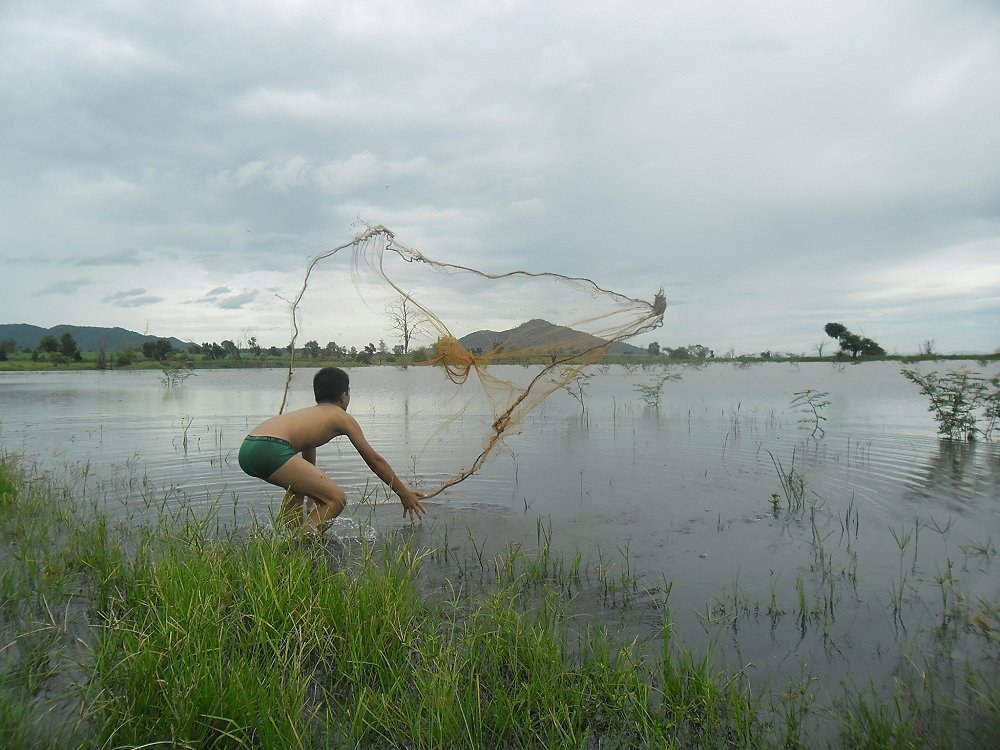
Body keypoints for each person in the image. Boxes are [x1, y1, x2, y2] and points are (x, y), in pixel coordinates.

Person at [238, 366, 426, 535]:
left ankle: (291, 540)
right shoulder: (341, 417)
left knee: (297, 488)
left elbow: (306, 464)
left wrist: (313, 496)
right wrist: (403, 492)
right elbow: (374, 460)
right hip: (271, 448)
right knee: (337, 499)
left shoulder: (309, 414)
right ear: (344, 395)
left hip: (249, 447)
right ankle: (296, 546)